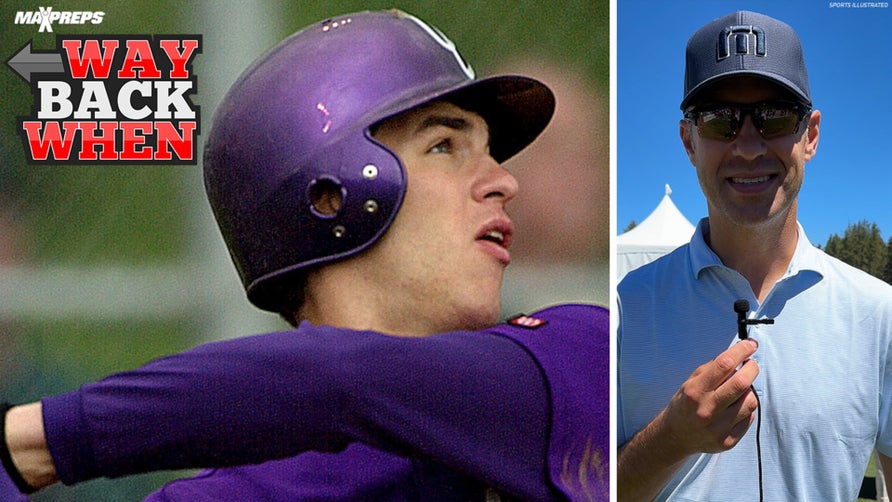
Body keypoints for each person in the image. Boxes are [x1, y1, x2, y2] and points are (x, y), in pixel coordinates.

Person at [0, 10, 609, 501]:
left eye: (489, 151)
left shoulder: (574, 358)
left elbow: (340, 379)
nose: (504, 182)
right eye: (445, 146)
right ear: (329, 195)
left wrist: (34, 440)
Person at [616, 10, 892, 501]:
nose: (746, 146)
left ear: (810, 135)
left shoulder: (879, 315)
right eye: (720, 120)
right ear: (689, 141)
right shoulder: (623, 308)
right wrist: (670, 441)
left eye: (774, 117)